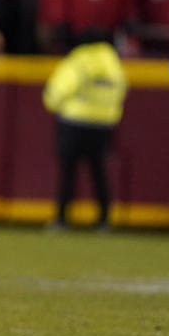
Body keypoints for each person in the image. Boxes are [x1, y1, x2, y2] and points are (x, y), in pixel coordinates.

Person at [43, 32, 127, 229]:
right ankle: (104, 220)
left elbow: (58, 90)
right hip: (103, 125)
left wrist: (55, 105)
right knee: (100, 173)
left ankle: (62, 219)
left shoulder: (79, 59)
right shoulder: (113, 62)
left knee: (68, 172)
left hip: (74, 123)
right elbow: (122, 90)